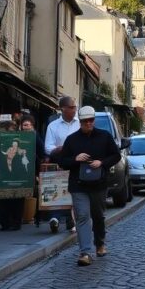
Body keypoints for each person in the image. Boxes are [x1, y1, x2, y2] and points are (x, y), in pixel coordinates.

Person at [55, 106, 122, 267]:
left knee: (98, 216)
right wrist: (75, 159)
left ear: (94, 120)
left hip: (99, 184)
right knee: (83, 216)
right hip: (78, 185)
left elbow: (116, 155)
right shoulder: (72, 140)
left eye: (91, 120)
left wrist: (102, 163)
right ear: (80, 122)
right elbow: (62, 162)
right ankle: (85, 252)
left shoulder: (104, 136)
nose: (88, 123)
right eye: (85, 121)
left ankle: (99, 243)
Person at [44, 96, 79, 233]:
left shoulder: (79, 124)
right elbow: (47, 147)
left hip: (76, 162)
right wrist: (59, 148)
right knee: (58, 190)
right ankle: (55, 218)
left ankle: (72, 219)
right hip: (60, 162)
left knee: (74, 191)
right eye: (71, 107)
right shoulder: (53, 126)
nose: (74, 110)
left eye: (75, 107)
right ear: (62, 109)